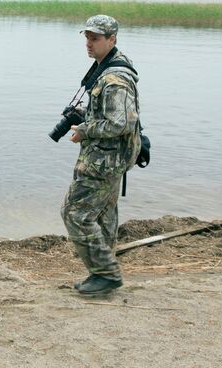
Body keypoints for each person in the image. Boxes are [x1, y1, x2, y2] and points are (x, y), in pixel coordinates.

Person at [61, 15, 141, 295]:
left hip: (104, 160)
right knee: (105, 216)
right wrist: (89, 115)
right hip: (112, 158)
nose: (89, 43)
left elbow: (122, 123)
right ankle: (103, 275)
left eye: (95, 38)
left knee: (75, 213)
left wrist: (85, 128)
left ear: (112, 39)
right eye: (87, 37)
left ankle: (106, 273)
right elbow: (115, 116)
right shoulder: (109, 67)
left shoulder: (115, 78)